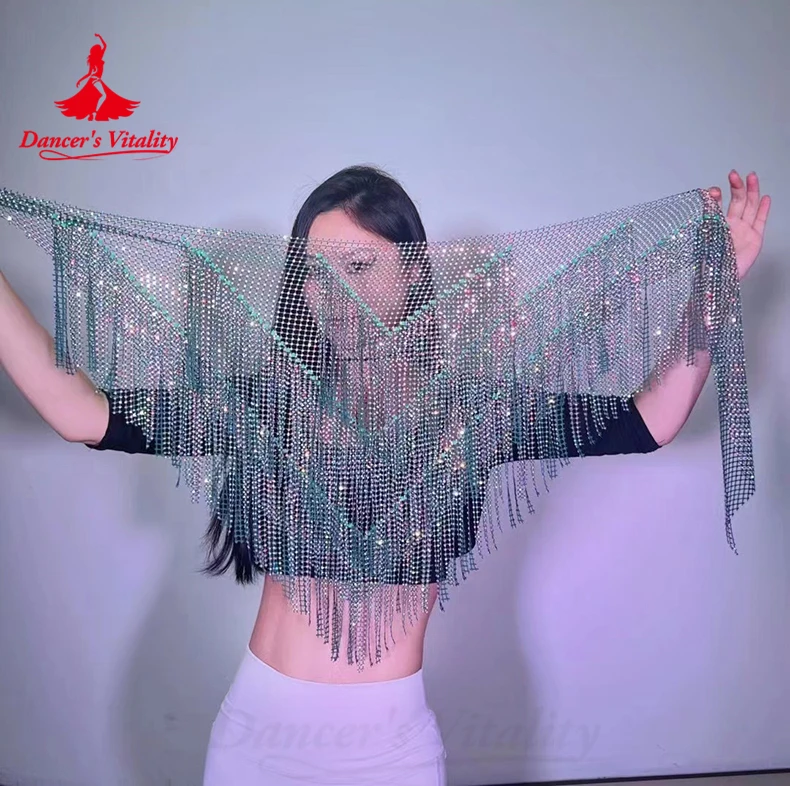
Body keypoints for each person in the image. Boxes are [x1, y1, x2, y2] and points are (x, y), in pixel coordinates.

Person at [0, 166, 770, 785]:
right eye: (316, 273)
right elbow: (78, 411)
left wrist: (714, 291)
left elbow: (649, 420)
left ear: (412, 274)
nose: (336, 292)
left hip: (391, 752)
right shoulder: (265, 404)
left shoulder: (469, 412)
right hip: (257, 744)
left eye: (361, 266)